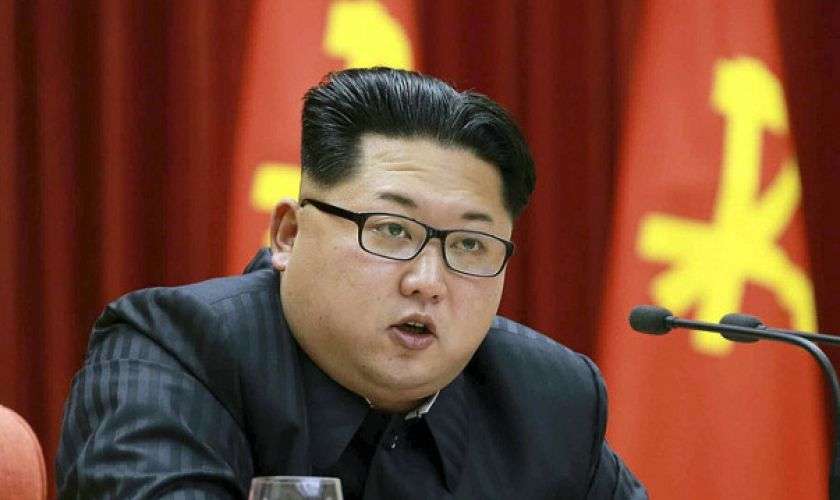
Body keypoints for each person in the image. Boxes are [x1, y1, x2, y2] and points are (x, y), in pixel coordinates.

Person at [56, 67, 646, 499]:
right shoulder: (175, 352)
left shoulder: (549, 398)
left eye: (470, 244)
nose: (428, 282)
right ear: (288, 234)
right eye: (391, 230)